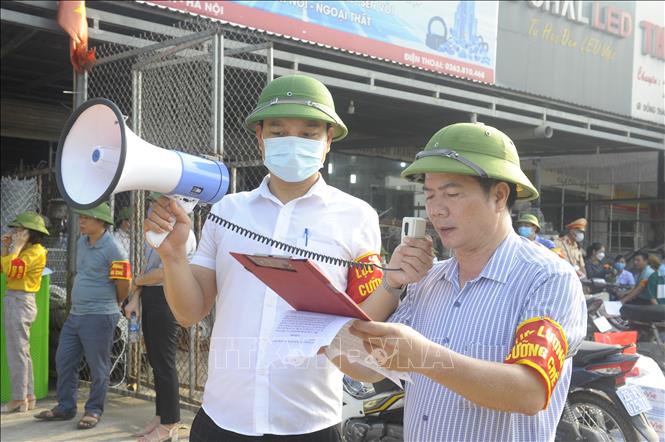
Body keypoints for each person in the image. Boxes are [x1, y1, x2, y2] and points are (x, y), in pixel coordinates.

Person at [144, 74, 433, 441]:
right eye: (278, 132)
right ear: (260, 138)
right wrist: (172, 258)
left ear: (329, 141)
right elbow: (189, 311)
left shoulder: (356, 216)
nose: (292, 142)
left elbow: (362, 316)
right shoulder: (228, 211)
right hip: (222, 417)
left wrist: (393, 283)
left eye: (309, 134)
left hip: (308, 420)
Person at [332, 122, 586, 441]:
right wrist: (390, 284)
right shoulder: (428, 281)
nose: (437, 210)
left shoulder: (547, 279)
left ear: (499, 195)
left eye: (452, 194)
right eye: (430, 196)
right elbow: (362, 366)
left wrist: (426, 358)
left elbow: (529, 392)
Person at [34, 202, 130, 430]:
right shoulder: (81, 242)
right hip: (76, 314)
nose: (82, 221)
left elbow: (124, 284)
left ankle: (93, 410)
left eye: (87, 218)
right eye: (82, 217)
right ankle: (65, 407)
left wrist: (111, 304)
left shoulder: (114, 248)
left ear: (101, 221)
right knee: (64, 359)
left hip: (99, 315)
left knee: (98, 367)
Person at [124, 193, 197, 442]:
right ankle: (160, 415)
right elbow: (148, 270)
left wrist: (137, 282)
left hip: (168, 299)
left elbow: (166, 273)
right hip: (152, 298)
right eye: (154, 202)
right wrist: (136, 295)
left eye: (162, 202)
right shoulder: (156, 230)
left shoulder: (183, 233)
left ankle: (170, 423)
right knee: (155, 361)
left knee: (165, 363)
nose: (154, 206)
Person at [1, 212, 49, 414]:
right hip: (16, 299)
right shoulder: (27, 250)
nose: (16, 233)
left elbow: (12, 270)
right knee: (23, 352)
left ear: (30, 233)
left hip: (20, 301)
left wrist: (16, 247)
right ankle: (28, 396)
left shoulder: (35, 252)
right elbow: (3, 267)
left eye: (20, 230)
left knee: (17, 352)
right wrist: (6, 248)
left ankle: (18, 398)